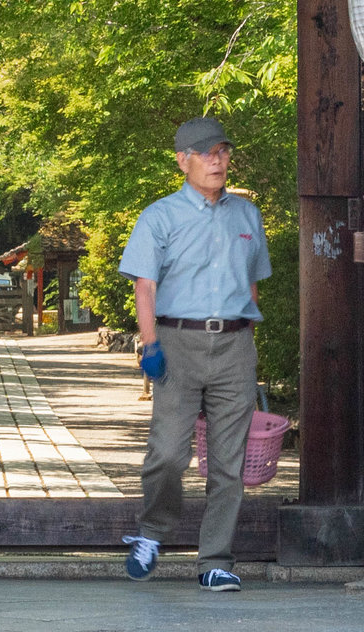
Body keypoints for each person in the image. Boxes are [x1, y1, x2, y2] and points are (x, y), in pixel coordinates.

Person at [117, 116, 271, 592]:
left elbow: (253, 284)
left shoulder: (247, 214)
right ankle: (152, 532)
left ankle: (215, 560)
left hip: (234, 345)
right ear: (183, 160)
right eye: (206, 153)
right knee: (167, 453)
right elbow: (146, 286)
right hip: (176, 343)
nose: (217, 160)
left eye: (223, 151)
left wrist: (244, 340)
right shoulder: (159, 216)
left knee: (229, 462)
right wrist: (150, 345)